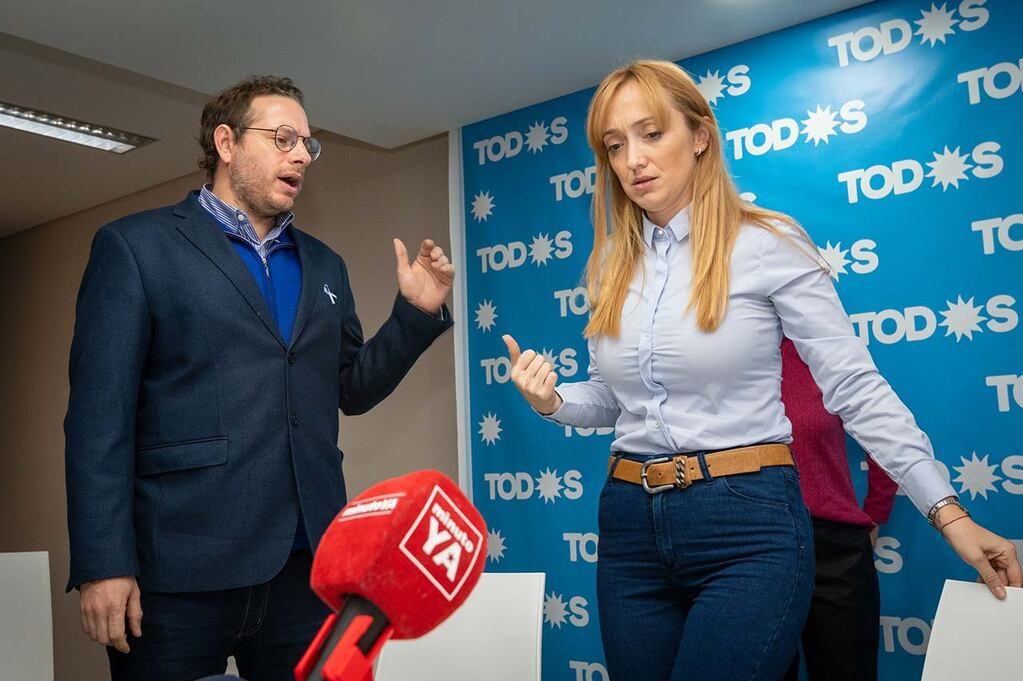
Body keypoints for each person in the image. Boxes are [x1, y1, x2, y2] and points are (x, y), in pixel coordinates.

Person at [501, 59, 1020, 681]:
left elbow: (853, 387)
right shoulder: (612, 264)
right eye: (615, 146)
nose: (633, 159)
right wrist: (553, 399)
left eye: (651, 133)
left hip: (746, 523)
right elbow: (613, 401)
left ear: (699, 135)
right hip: (629, 526)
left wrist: (949, 513)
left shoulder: (768, 242)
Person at [64, 75, 454, 681]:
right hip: (178, 571)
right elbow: (97, 421)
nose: (301, 154)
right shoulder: (136, 248)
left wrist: (415, 315)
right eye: (282, 138)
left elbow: (350, 388)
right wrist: (103, 564)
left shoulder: (325, 264)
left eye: (307, 144)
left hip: (305, 567)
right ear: (226, 142)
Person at [780, 337, 897, 681]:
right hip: (750, 547)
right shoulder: (719, 360)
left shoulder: (824, 352)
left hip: (834, 547)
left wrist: (875, 512)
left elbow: (885, 433)